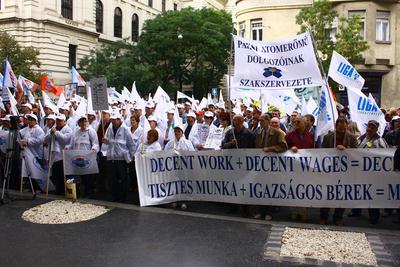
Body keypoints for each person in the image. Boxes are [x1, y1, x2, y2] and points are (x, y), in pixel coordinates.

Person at [347, 120, 388, 224]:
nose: (369, 129)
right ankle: (356, 210)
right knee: (359, 191)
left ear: (376, 129)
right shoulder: (361, 138)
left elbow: (384, 154)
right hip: (360, 172)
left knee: (372, 194)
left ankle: (374, 216)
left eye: (372, 127)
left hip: (373, 174)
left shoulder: (380, 141)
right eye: (369, 126)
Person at [320, 117, 358, 226]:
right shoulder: (328, 137)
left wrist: (346, 149)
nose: (342, 130)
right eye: (340, 128)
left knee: (341, 194)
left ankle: (338, 217)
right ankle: (323, 216)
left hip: (345, 171)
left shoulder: (352, 137)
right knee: (327, 194)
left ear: (347, 127)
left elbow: (357, 152)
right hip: (330, 170)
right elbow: (321, 152)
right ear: (336, 126)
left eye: (344, 128)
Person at [254, 113, 288, 220]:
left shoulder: (278, 133)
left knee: (270, 188)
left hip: (273, 166)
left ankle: (270, 212)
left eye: (262, 120)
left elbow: (284, 146)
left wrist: (270, 149)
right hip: (261, 166)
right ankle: (261, 211)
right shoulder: (259, 133)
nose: (260, 123)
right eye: (259, 121)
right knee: (261, 188)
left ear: (268, 121)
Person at [285, 115, 314, 221]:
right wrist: (289, 149)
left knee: (304, 190)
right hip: (293, 168)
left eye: (299, 122)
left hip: (306, 168)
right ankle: (293, 212)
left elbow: (316, 151)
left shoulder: (311, 136)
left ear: (304, 124)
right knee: (293, 190)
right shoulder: (289, 136)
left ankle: (303, 212)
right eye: (295, 122)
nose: (296, 124)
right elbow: (283, 149)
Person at [103, 112, 136, 203]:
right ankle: (115, 196)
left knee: (123, 179)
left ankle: (123, 197)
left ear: (119, 120)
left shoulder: (125, 129)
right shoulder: (109, 128)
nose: (113, 121)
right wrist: (106, 141)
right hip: (111, 157)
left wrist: (132, 156)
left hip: (121, 158)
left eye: (114, 120)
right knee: (112, 179)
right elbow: (107, 139)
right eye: (112, 120)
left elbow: (131, 144)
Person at [68, 116, 99, 198]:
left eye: (85, 121)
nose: (83, 123)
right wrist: (67, 148)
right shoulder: (75, 132)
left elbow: (95, 143)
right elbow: (71, 144)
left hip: (87, 158)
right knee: (78, 177)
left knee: (87, 177)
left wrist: (93, 149)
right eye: (81, 122)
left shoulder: (91, 131)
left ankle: (89, 193)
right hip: (77, 158)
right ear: (79, 123)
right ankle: (78, 193)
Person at [44, 114, 73, 195]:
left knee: (63, 173)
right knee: (55, 173)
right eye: (57, 120)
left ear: (64, 122)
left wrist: (56, 133)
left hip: (63, 155)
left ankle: (64, 189)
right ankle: (58, 188)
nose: (58, 122)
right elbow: (45, 139)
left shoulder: (68, 130)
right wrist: (51, 133)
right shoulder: (52, 128)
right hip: (54, 154)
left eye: (60, 121)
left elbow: (65, 140)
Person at [19, 113, 45, 191]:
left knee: (37, 171)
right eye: (29, 119)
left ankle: (38, 188)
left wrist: (28, 141)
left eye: (31, 120)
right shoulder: (25, 129)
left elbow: (40, 140)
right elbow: (19, 136)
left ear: (35, 121)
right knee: (28, 170)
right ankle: (30, 187)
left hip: (36, 154)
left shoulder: (38, 129)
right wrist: (21, 141)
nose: (29, 121)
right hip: (27, 154)